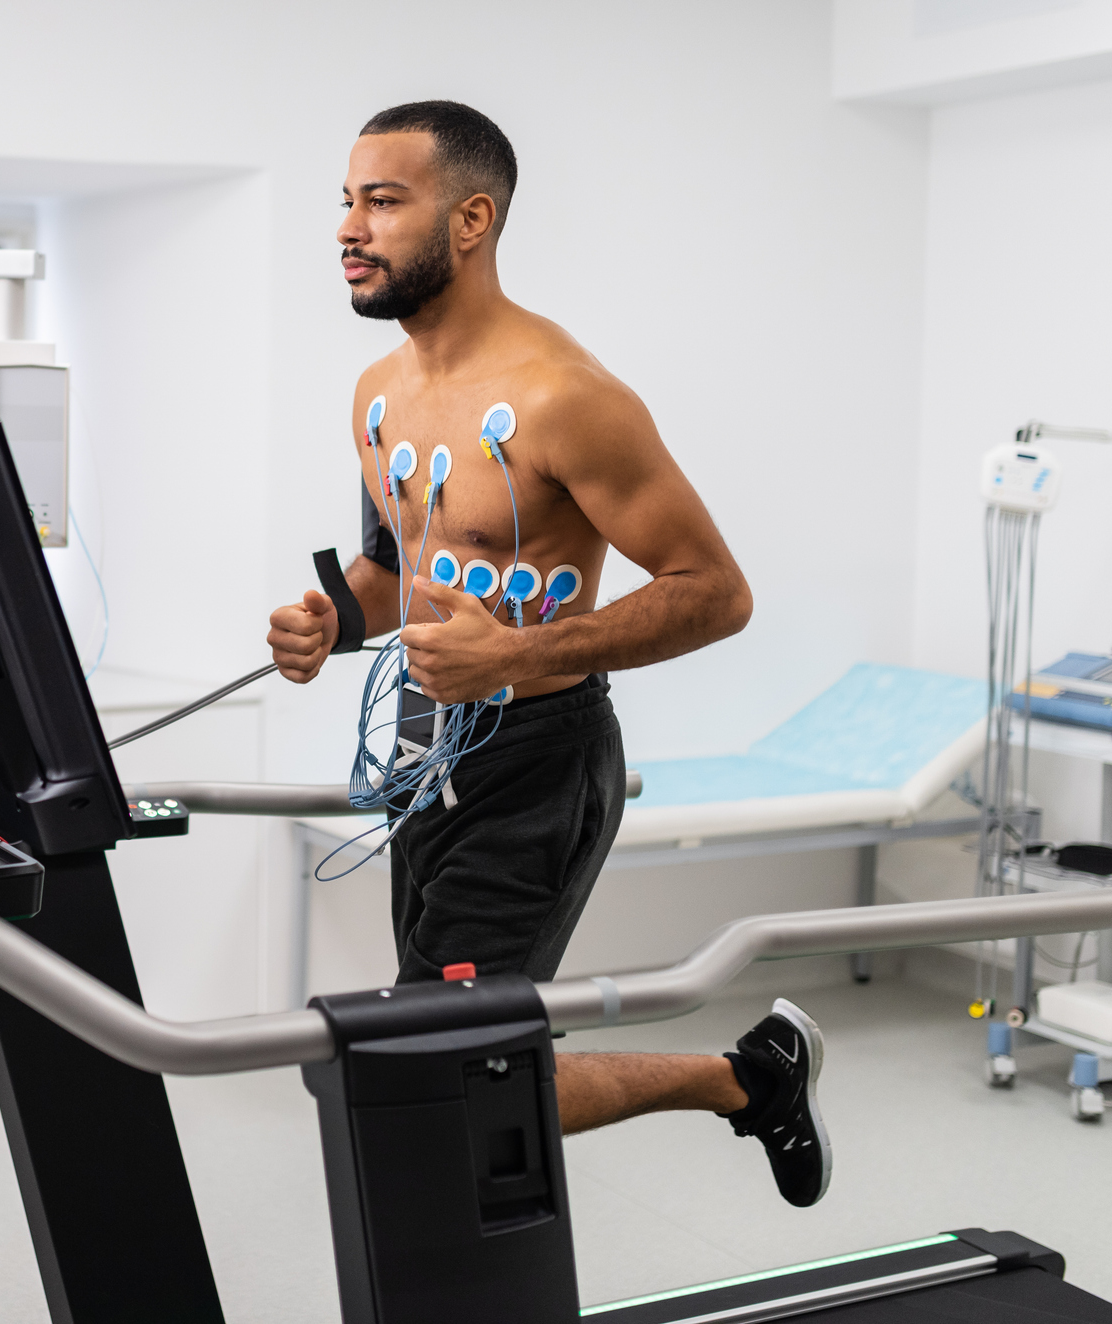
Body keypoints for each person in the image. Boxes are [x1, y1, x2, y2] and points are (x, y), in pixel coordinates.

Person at [267, 103, 827, 1205]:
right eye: (347, 199)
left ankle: (743, 1083)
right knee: (452, 1056)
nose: (350, 226)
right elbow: (397, 572)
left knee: (439, 1074)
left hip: (537, 762)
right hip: (426, 749)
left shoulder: (569, 398)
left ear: (470, 219)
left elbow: (716, 593)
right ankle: (752, 1077)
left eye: (384, 201)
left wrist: (515, 659)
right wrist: (335, 623)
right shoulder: (377, 396)